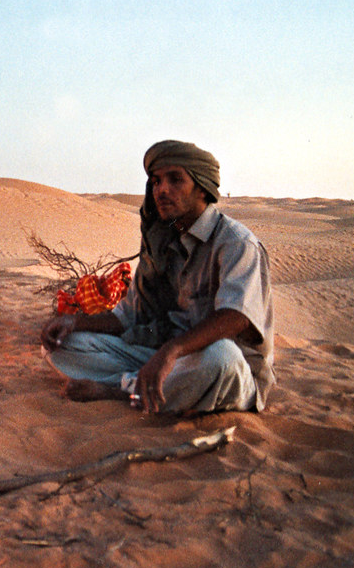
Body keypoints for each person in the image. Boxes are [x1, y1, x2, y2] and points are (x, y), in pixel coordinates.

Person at [40, 140, 274, 415]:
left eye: (175, 180)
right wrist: (72, 321)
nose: (161, 190)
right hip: (165, 357)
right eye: (155, 181)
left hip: (223, 367)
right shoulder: (162, 244)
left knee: (220, 358)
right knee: (62, 345)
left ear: (202, 188)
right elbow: (127, 316)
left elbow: (236, 317)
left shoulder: (235, 243)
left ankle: (118, 392)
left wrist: (171, 351)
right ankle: (148, 384)